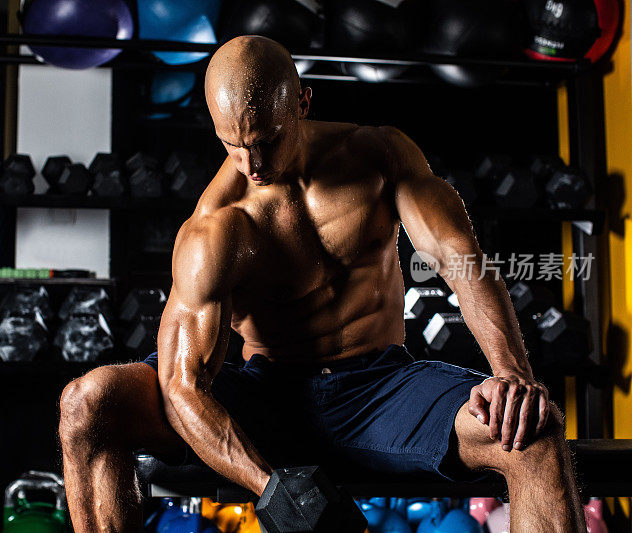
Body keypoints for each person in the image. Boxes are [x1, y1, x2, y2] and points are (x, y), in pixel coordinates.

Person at [59, 36, 586, 532]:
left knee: (531, 431)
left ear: (303, 103)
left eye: (266, 141)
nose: (253, 164)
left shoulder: (380, 156)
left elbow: (459, 259)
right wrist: (272, 489)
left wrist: (512, 373)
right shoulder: (217, 227)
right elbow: (182, 386)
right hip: (266, 396)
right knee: (89, 404)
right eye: (233, 146)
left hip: (381, 389)